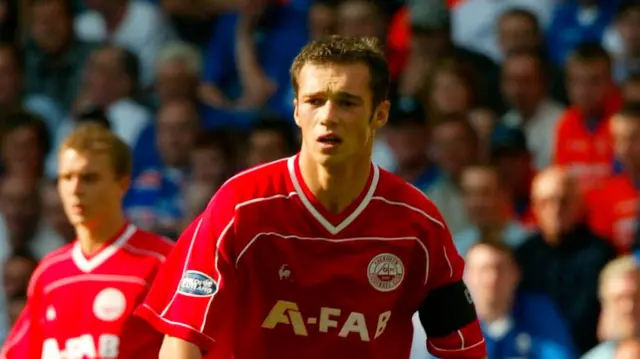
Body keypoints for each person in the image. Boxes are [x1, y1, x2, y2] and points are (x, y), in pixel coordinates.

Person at [136, 35, 487, 359]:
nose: (328, 117)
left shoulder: (416, 221)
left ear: (379, 114)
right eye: (315, 101)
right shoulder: (241, 205)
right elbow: (183, 339)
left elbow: (464, 348)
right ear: (296, 111)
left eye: (347, 102)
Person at [0, 123, 174, 358]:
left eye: (89, 178)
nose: (75, 189)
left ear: (122, 184)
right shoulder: (49, 273)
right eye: (67, 177)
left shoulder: (163, 261)